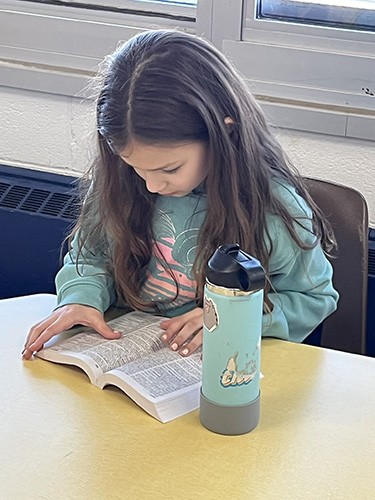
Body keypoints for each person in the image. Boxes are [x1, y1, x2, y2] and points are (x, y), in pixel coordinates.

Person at [22, 29, 339, 360]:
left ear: (223, 132)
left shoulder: (274, 208)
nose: (151, 186)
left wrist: (233, 319)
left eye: (169, 169)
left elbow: (313, 299)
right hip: (126, 353)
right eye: (135, 168)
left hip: (221, 365)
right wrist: (80, 299)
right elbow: (91, 256)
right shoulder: (118, 182)